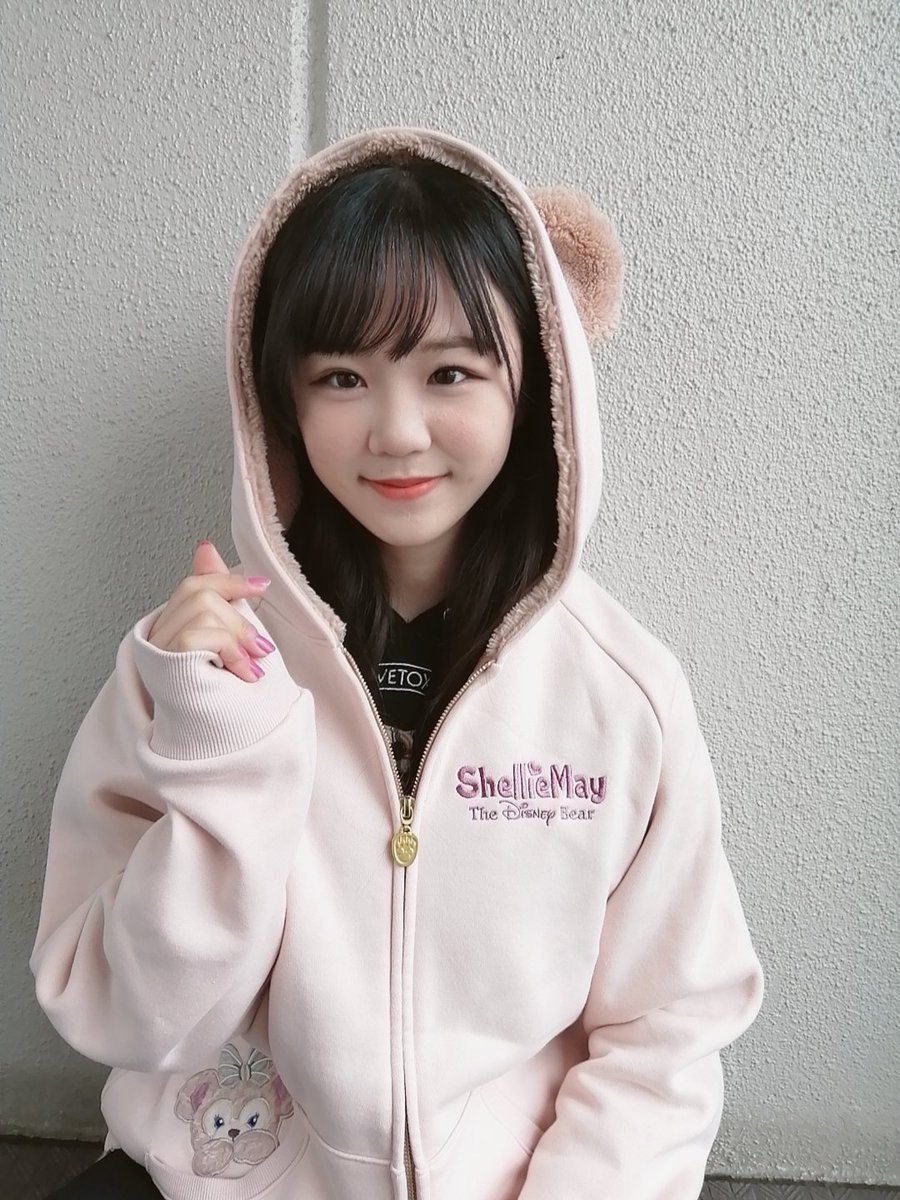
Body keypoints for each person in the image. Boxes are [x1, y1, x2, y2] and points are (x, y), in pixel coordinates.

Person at [30, 127, 763, 1200]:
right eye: (342, 377)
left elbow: (667, 1031)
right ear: (280, 400)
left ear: (538, 382)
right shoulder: (192, 669)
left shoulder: (620, 692)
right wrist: (217, 748)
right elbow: (129, 1018)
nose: (399, 432)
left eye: (451, 371)